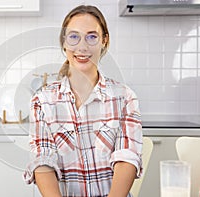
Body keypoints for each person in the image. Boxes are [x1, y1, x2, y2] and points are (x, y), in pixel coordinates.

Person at [24, 5, 143, 197]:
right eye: (73, 37)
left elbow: (127, 158)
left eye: (91, 37)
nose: (82, 46)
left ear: (104, 41)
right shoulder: (42, 101)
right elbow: (43, 161)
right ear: (64, 42)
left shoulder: (125, 96)